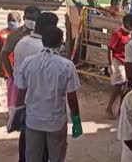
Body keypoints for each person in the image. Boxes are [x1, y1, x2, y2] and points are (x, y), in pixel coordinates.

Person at [15, 26, 82, 162]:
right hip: (56, 121)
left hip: (33, 120)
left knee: (32, 158)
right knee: (56, 158)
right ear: (60, 42)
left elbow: (21, 93)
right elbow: (72, 98)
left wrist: (19, 116)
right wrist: (76, 120)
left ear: (43, 41)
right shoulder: (67, 65)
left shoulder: (28, 62)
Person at [13, 12, 58, 162]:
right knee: (40, 151)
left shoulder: (22, 42)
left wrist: (18, 108)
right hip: (40, 106)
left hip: (24, 101)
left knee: (25, 148)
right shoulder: (43, 49)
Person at [106, 16, 131, 118]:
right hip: (118, 60)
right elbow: (110, 49)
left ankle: (121, 109)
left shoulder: (131, 33)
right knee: (119, 85)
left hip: (128, 61)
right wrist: (110, 64)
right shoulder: (118, 33)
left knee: (126, 87)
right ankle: (109, 107)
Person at [0, 12, 21, 79]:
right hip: (7, 67)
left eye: (13, 20)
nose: (11, 23)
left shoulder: (23, 34)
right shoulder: (2, 34)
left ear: (19, 21)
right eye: (9, 20)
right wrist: (0, 69)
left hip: (20, 67)